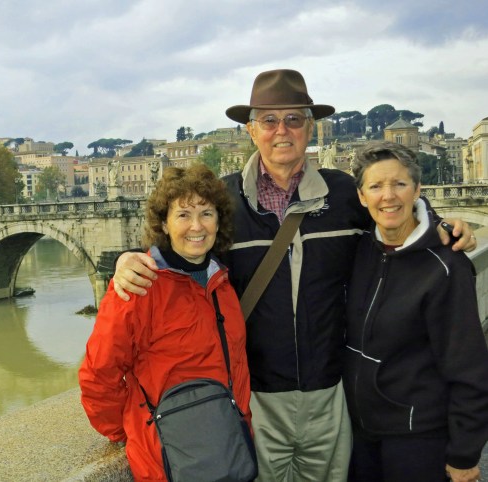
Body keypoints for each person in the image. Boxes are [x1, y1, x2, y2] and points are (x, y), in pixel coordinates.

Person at [112, 69, 477, 481]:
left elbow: (394, 212)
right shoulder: (221, 200)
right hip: (256, 398)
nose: (281, 130)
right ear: (251, 131)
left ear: (311, 127)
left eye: (294, 119)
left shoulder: (344, 194)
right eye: (268, 120)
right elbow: (179, 247)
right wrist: (130, 259)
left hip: (329, 394)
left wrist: (442, 224)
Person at [79, 164, 252, 481]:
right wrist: (134, 429)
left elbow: (236, 368)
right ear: (164, 223)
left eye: (206, 214)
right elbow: (98, 374)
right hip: (163, 463)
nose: (196, 226)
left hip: (229, 452)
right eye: (183, 215)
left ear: (219, 221)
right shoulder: (137, 287)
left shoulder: (222, 283)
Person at [344, 141, 488, 482]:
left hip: (419, 438)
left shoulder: (445, 266)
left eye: (399, 184)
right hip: (361, 433)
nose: (388, 196)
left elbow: (470, 369)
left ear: (418, 191)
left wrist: (464, 455)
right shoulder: (359, 248)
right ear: (362, 197)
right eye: (376, 186)